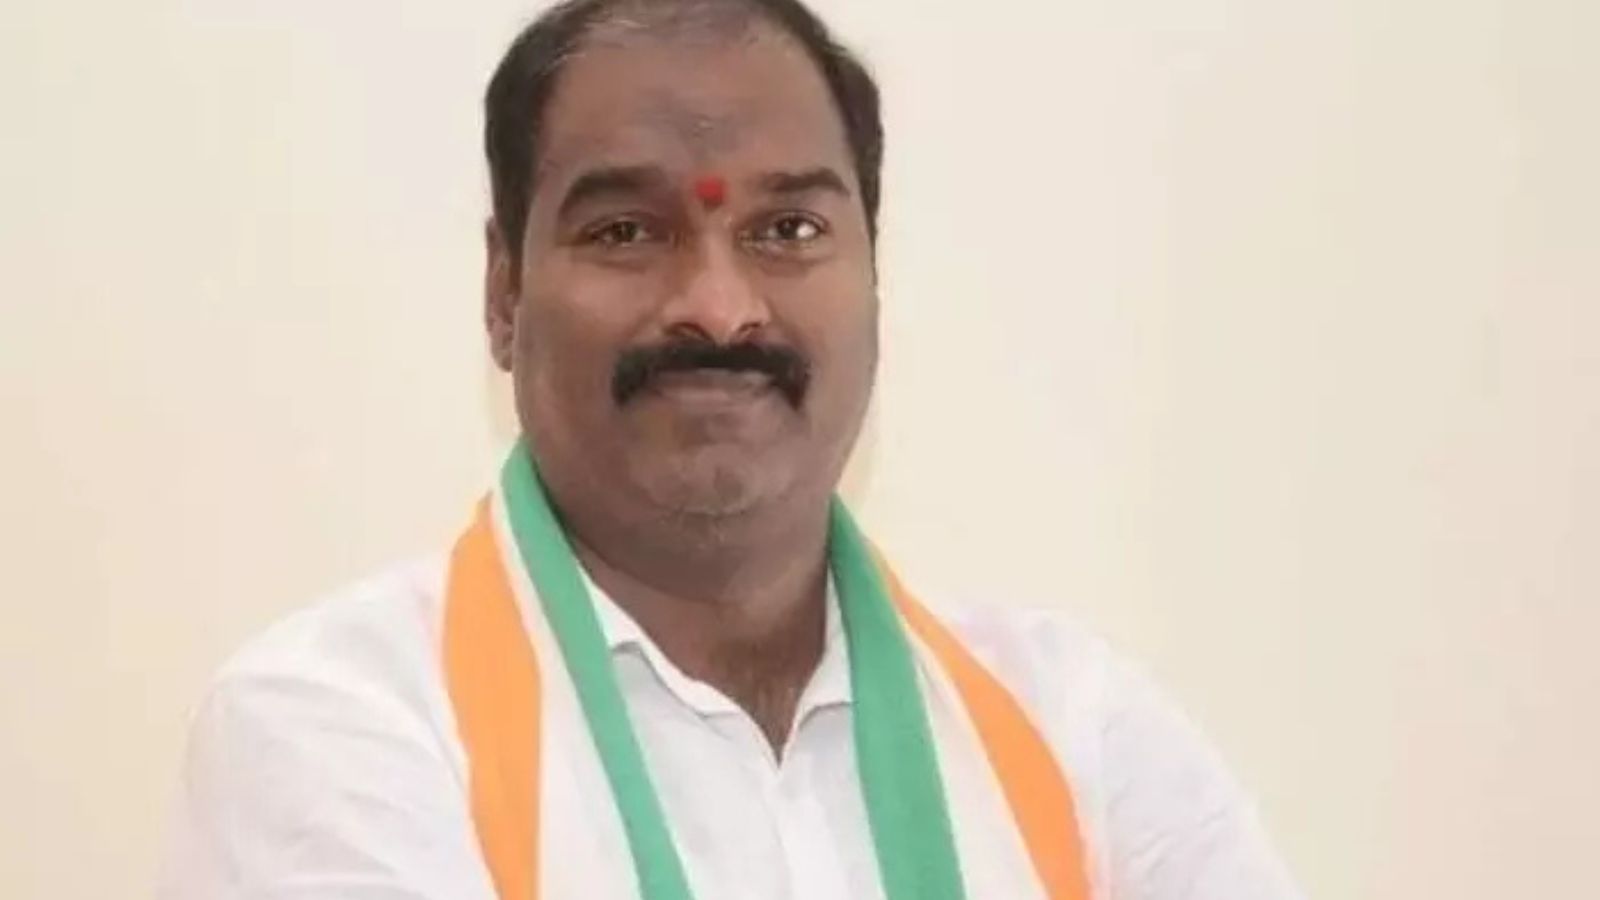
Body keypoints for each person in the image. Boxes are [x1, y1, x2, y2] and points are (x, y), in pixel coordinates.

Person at [159, 1, 1302, 898]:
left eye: (787, 229)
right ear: (504, 293)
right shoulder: (337, 723)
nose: (718, 306)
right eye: (626, 230)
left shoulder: (1074, 726)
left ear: (873, 276)